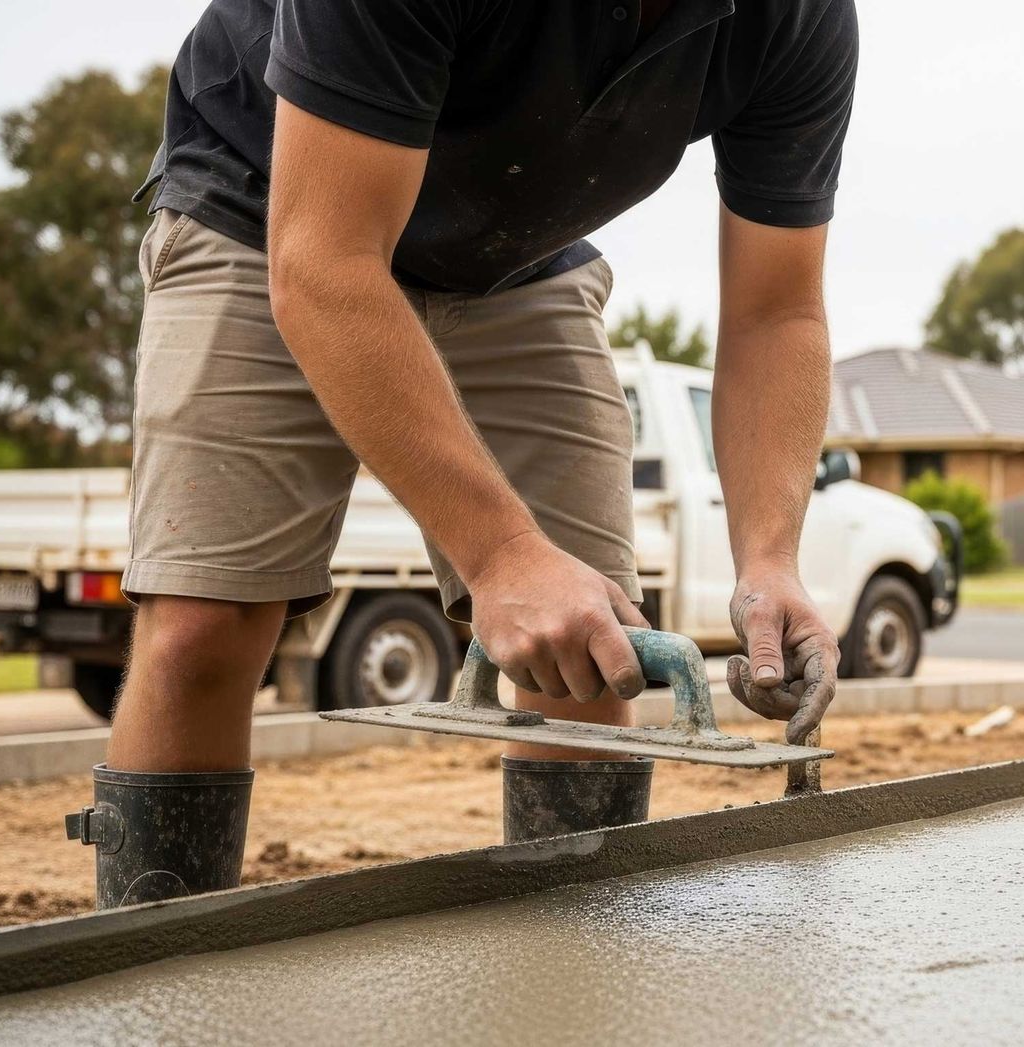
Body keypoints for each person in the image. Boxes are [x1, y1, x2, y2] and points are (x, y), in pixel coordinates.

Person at [66, 0, 856, 907]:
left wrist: (769, 562)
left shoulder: (800, 18)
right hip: (272, 203)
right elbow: (324, 263)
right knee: (205, 624)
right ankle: (162, 960)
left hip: (516, 255)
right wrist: (503, 554)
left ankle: (573, 969)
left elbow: (777, 310)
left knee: (592, 647)